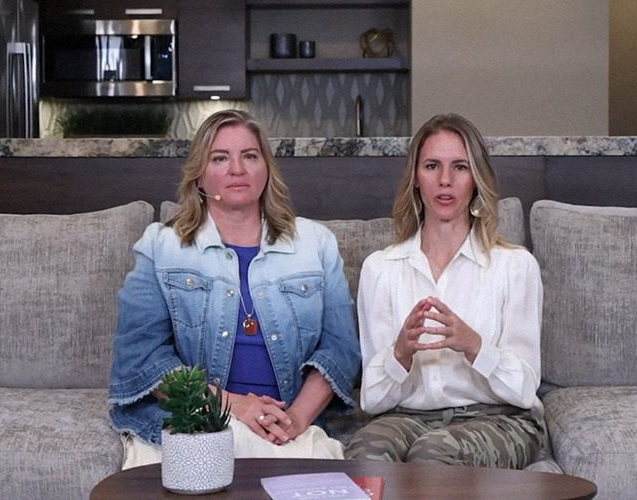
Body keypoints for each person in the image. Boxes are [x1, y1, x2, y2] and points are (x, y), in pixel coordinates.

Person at [108, 109, 361, 467]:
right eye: (220, 158)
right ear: (199, 176)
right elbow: (142, 359)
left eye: (250, 156)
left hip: (290, 422)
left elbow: (341, 350)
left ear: (266, 169)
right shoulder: (160, 246)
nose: (237, 169)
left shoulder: (316, 244)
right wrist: (233, 406)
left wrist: (295, 421)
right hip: (197, 422)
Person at [344, 113, 545, 468]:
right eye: (432, 166)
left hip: (498, 418)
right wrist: (401, 353)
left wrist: (474, 345)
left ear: (476, 180)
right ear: (416, 180)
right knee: (367, 451)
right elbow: (372, 400)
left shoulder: (515, 266)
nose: (445, 180)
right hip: (405, 417)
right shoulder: (381, 269)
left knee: (433, 454)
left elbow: (525, 389)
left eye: (460, 167)